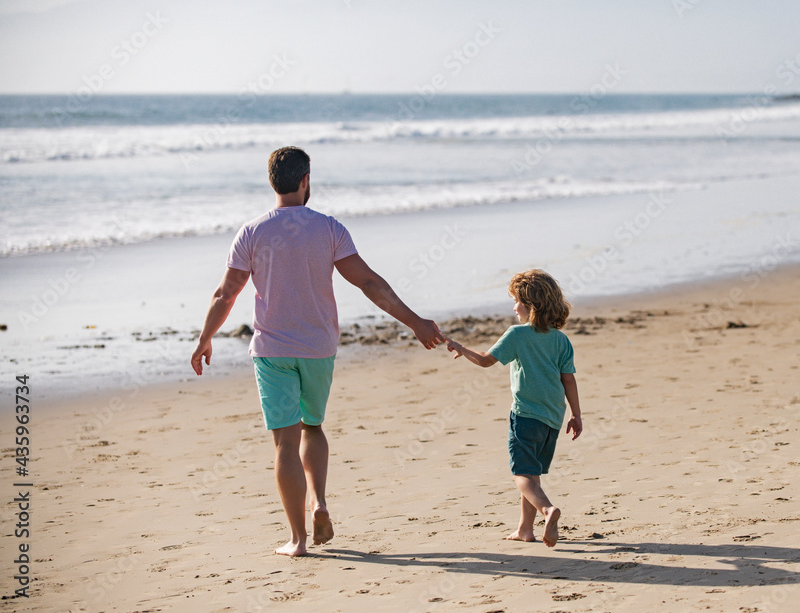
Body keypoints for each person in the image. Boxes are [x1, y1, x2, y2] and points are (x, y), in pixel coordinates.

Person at [190, 146, 445, 557]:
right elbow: (369, 283)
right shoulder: (328, 229)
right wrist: (415, 322)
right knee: (313, 427)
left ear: (272, 182)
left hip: (272, 350)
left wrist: (206, 337)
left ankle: (297, 540)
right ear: (306, 180)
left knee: (284, 445)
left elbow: (226, 293)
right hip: (318, 349)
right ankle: (320, 502)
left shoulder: (252, 232)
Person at [446, 269, 582, 547]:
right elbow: (568, 379)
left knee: (521, 473)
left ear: (532, 306)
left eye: (516, 301)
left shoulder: (518, 335)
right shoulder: (561, 340)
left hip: (525, 415)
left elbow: (486, 361)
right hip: (553, 418)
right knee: (532, 473)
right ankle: (524, 530)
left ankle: (548, 510)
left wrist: (462, 348)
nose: (513, 307)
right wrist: (576, 414)